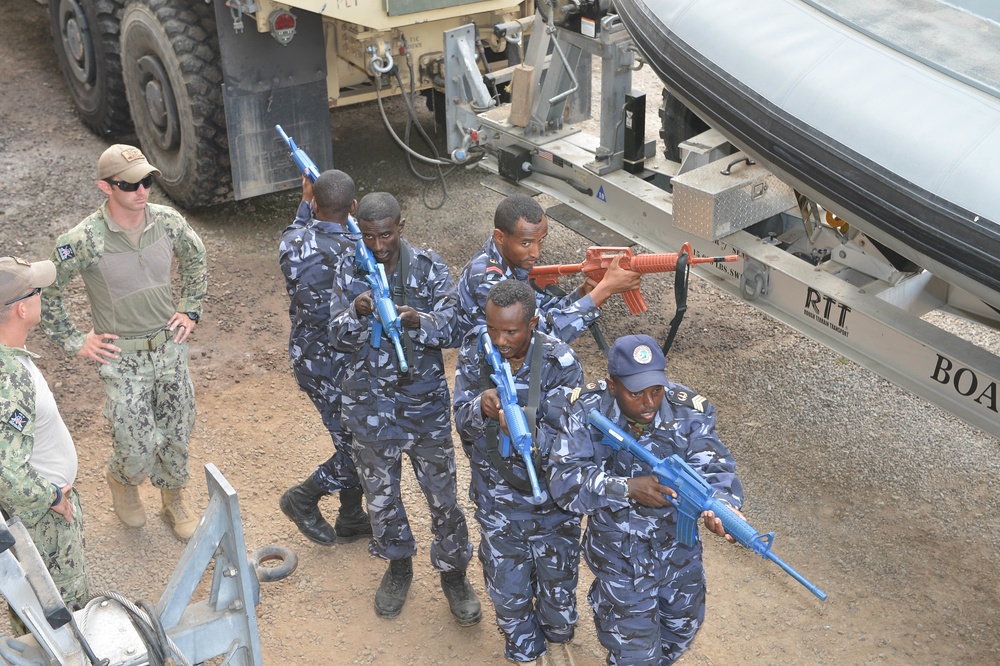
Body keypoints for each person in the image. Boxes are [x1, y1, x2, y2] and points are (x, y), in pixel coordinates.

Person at [40, 144, 208, 540]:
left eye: (147, 181)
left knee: (177, 432)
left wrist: (191, 309)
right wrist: (75, 340)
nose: (142, 191)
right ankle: (123, 481)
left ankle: (173, 499)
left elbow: (196, 257)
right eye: (130, 184)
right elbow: (48, 289)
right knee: (134, 447)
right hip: (122, 359)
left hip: (169, 349)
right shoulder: (82, 239)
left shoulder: (167, 222)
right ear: (106, 187)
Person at [328, 192, 480, 626]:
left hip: (423, 407)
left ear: (402, 226)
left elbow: (455, 328)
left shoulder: (430, 268)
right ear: (359, 229)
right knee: (381, 498)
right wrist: (357, 313)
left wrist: (419, 321)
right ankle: (398, 565)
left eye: (387, 235)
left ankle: (454, 573)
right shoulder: (348, 266)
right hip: (370, 408)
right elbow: (334, 334)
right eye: (370, 236)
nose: (379, 245)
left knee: (443, 498)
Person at [545, 334, 744, 665]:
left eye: (656, 390)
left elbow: (715, 467)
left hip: (678, 556)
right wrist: (626, 487)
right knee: (635, 655)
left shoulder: (689, 411)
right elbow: (563, 483)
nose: (649, 402)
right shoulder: (585, 409)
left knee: (682, 630)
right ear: (612, 385)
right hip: (621, 561)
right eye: (635, 393)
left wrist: (723, 507)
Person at [453, 279, 584, 664]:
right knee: (509, 600)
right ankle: (525, 651)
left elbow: (571, 446)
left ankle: (555, 640)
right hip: (498, 505)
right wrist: (482, 406)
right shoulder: (477, 349)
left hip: (552, 508)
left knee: (559, 616)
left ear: (534, 323)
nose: (499, 339)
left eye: (510, 331)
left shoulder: (561, 363)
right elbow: (461, 420)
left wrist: (528, 431)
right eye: (492, 328)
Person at [277, 171, 371, 547]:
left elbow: (300, 225)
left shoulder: (292, 241)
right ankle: (303, 497)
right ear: (353, 207)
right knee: (358, 448)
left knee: (349, 432)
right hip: (342, 363)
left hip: (308, 358)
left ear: (314, 203)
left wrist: (305, 200)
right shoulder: (358, 251)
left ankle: (350, 516)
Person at [0, 256, 90, 621]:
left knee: (31, 605)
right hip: (41, 521)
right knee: (60, 613)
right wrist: (51, 496)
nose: (42, 294)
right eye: (37, 291)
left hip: (33, 513)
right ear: (22, 309)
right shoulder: (10, 380)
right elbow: (8, 472)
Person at [456, 193, 643, 343]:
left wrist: (583, 293)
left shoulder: (512, 262)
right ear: (499, 237)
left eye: (541, 240)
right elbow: (541, 336)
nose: (536, 253)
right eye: (526, 243)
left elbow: (539, 311)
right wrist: (604, 290)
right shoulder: (487, 278)